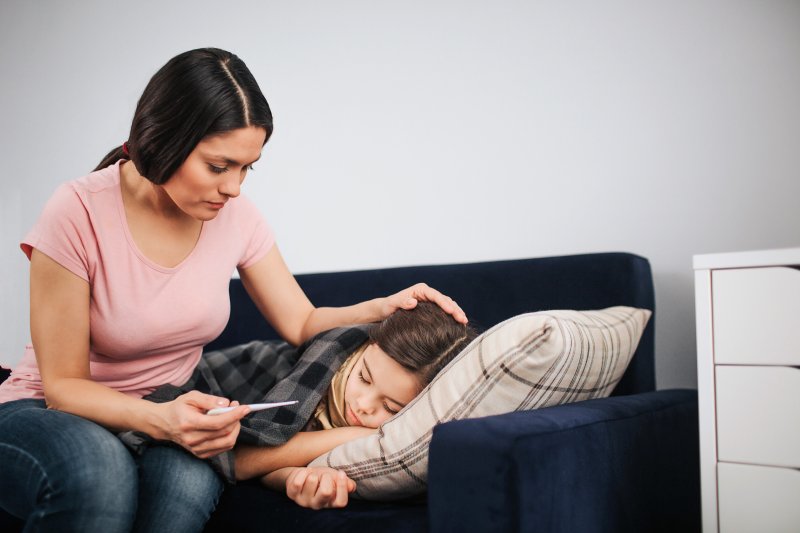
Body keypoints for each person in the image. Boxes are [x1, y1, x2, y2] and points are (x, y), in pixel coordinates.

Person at [0, 47, 467, 533]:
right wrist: (163, 421)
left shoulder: (236, 218)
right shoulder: (78, 211)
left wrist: (380, 307)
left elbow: (301, 323)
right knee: (99, 471)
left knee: (183, 493)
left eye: (248, 168)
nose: (235, 188)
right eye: (219, 166)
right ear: (165, 141)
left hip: (171, 408)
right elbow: (64, 389)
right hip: (46, 409)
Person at [233, 302, 477, 510]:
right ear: (368, 346)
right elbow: (241, 459)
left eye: (391, 408)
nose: (362, 405)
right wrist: (350, 435)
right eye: (364, 377)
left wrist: (296, 477)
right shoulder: (331, 360)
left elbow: (268, 465)